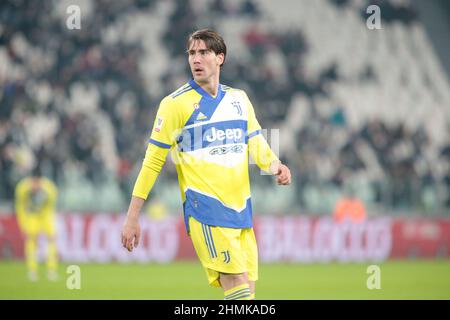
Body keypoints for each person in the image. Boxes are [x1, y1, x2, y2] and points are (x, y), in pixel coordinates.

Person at [121, 29, 291, 300]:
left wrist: (275, 165)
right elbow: (152, 162)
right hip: (207, 210)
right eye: (191, 53)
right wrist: (132, 217)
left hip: (242, 210)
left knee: (248, 293)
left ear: (220, 58)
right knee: (238, 290)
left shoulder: (239, 99)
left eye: (203, 52)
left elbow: (256, 142)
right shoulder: (174, 105)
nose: (195, 59)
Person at [15, 167, 59, 281]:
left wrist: (50, 223)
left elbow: (51, 206)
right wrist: (23, 224)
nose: (36, 185)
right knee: (31, 241)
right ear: (30, 180)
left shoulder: (49, 189)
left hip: (45, 215)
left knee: (51, 239)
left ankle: (51, 270)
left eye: (38, 182)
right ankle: (32, 271)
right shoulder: (22, 188)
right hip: (32, 216)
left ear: (41, 180)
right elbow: (20, 207)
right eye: (34, 182)